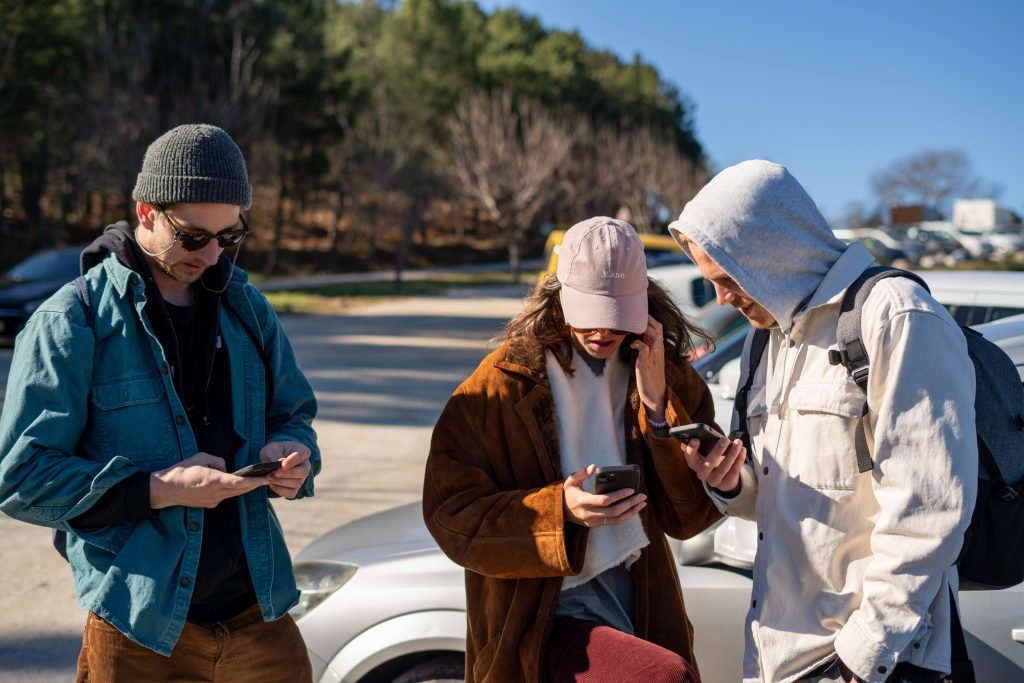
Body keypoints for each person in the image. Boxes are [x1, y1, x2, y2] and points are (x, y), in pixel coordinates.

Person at [0, 123, 321, 682]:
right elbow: (21, 478)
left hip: (259, 615)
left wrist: (293, 451)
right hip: (139, 627)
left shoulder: (248, 308)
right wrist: (162, 488)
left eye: (229, 236)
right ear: (147, 212)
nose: (213, 253)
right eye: (195, 237)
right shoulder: (72, 321)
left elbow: (292, 413)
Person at [668, 160, 976, 683]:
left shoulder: (896, 315)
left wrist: (863, 655)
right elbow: (787, 501)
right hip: (774, 658)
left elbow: (930, 507)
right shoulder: (764, 341)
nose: (721, 298)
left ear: (771, 249)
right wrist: (732, 485)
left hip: (874, 664)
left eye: (727, 278)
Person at [422, 216, 723, 683]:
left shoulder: (665, 371)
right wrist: (559, 511)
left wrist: (657, 407)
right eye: (590, 311)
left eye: (617, 315)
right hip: (537, 612)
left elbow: (689, 518)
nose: (604, 331)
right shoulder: (502, 382)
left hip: (641, 595)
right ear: (559, 295)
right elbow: (450, 515)